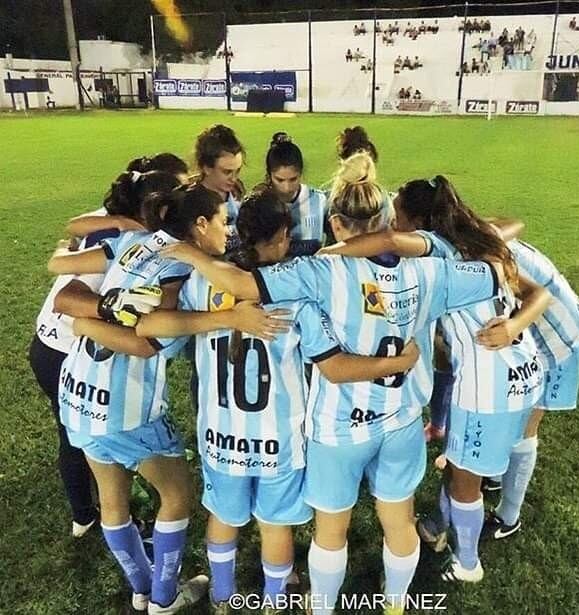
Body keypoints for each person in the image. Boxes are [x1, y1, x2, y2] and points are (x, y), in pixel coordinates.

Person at [160, 154, 508, 614]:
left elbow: (246, 289)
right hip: (402, 417)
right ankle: (396, 604)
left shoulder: (317, 274)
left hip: (336, 427)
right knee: (398, 519)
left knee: (331, 530)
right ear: (387, 219)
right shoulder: (433, 267)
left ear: (336, 224)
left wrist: (186, 254)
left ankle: (317, 607)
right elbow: (497, 269)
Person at [138, 189, 420, 614]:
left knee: (224, 521)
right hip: (280, 439)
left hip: (219, 435)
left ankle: (222, 597)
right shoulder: (298, 292)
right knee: (275, 526)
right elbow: (331, 361)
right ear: (284, 235)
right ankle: (272, 603)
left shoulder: (205, 281)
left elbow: (154, 328)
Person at [46, 184, 280, 614]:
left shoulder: (134, 242)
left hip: (78, 392)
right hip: (126, 405)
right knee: (176, 495)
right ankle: (163, 597)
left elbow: (66, 294)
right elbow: (148, 337)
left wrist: (90, 323)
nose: (228, 233)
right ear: (200, 225)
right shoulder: (183, 270)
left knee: (112, 498)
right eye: (224, 222)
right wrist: (228, 316)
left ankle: (141, 587)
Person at [320, 176, 549, 583]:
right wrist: (515, 326)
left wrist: (329, 252)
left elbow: (389, 242)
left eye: (401, 217)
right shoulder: (478, 247)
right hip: (526, 374)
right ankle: (445, 527)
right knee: (465, 466)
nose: (395, 223)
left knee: (464, 481)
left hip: (487, 386)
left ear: (420, 224)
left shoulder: (438, 257)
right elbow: (539, 293)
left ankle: (467, 564)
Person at [30, 166, 184, 539]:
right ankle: (88, 514)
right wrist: (108, 310)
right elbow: (71, 299)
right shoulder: (132, 239)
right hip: (68, 346)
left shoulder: (108, 223)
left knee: (79, 436)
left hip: (50, 343)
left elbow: (69, 233)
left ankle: (93, 512)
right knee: (87, 437)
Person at [481, 238, 579, 539]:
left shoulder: (478, 255)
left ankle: (509, 516)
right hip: (545, 325)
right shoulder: (472, 230)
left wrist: (512, 328)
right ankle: (496, 476)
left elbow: (535, 296)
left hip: (557, 336)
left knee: (524, 427)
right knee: (509, 413)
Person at [260, 132, 328, 257]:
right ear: (269, 175)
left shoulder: (319, 200)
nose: (287, 188)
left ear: (301, 173)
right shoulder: (258, 205)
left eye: (293, 179)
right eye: (279, 180)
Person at [194, 125, 245, 251]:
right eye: (227, 172)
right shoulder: (192, 203)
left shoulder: (236, 191)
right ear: (207, 168)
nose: (234, 178)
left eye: (237, 170)